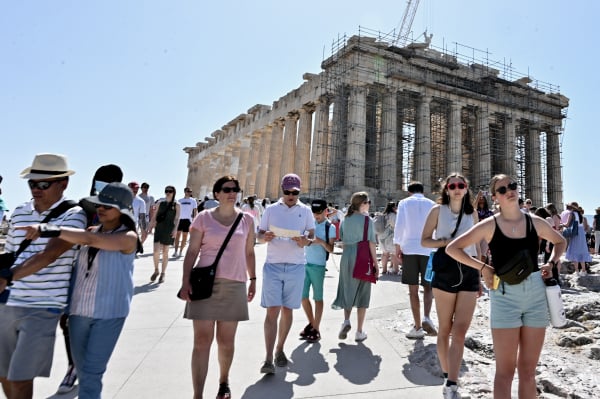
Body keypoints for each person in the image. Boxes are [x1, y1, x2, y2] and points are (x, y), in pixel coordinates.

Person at [446, 174, 566, 399]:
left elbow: (560, 241)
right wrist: (483, 268)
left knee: (529, 371)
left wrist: (551, 262)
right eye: (502, 190)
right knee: (505, 372)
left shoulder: (534, 221)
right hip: (505, 296)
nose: (509, 191)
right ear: (495, 197)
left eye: (512, 186)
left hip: (535, 293)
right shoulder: (489, 225)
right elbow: (453, 248)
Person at [17, 182, 139, 399]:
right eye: (99, 204)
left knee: (92, 373)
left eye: (107, 206)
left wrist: (47, 229)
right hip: (78, 312)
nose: (100, 209)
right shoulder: (91, 230)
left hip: (109, 314)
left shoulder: (128, 237)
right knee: (83, 372)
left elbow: (91, 240)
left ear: (122, 210)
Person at [0, 153, 87, 399]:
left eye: (43, 184)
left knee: (20, 377)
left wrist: (9, 277)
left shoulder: (74, 215)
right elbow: (9, 255)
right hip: (8, 301)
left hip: (44, 305)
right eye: (32, 183)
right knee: (4, 373)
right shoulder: (18, 213)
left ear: (63, 184)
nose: (36, 189)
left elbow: (49, 255)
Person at [178, 176, 256, 399]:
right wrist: (185, 282)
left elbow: (249, 252)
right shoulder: (203, 218)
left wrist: (253, 280)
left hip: (235, 284)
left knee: (226, 341)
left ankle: (224, 380)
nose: (232, 193)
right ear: (217, 194)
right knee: (202, 341)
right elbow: (192, 252)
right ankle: (198, 395)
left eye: (235, 189)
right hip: (204, 285)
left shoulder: (247, 220)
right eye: (227, 189)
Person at [421, 173, 480, 398]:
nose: (457, 188)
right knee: (445, 328)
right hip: (445, 268)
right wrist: (447, 243)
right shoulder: (437, 211)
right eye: (452, 185)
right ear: (446, 189)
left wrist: (481, 272)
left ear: (466, 189)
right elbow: (424, 240)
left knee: (461, 330)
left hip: (469, 271)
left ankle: (452, 381)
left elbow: (478, 245)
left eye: (461, 185)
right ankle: (448, 375)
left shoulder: (472, 213)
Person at [256, 173, 315, 374]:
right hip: (273, 265)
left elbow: (311, 237)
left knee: (288, 310)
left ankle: (280, 348)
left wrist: (305, 241)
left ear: (299, 191)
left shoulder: (305, 211)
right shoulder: (271, 210)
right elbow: (260, 234)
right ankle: (267, 358)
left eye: (295, 192)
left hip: (296, 266)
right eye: (287, 192)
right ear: (282, 190)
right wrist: (265, 237)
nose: (291, 195)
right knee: (272, 310)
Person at [331, 192, 378, 343]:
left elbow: (343, 240)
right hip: (363, 256)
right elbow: (371, 242)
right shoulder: (367, 220)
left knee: (348, 289)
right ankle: (359, 331)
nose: (369, 205)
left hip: (348, 256)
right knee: (363, 293)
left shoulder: (346, 219)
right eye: (368, 202)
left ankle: (346, 321)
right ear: (362, 204)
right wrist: (375, 263)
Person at [393, 181, 437, 339]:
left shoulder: (404, 203)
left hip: (410, 249)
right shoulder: (432, 204)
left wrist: (397, 246)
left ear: (409, 192)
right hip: (430, 249)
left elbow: (400, 225)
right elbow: (437, 228)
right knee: (428, 287)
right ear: (422, 191)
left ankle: (417, 327)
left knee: (413, 290)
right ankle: (427, 317)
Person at [299, 199, 335, 343]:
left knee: (318, 298)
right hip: (304, 263)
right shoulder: (309, 224)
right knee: (303, 296)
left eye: (319, 213)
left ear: (326, 211)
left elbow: (331, 249)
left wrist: (320, 241)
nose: (316, 216)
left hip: (318, 266)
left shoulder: (330, 227)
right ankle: (312, 323)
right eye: (314, 213)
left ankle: (316, 329)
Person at [148, 185, 180, 283]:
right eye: (166, 191)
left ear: (174, 192)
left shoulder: (177, 205)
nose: (168, 193)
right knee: (156, 251)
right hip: (159, 228)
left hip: (169, 229)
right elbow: (154, 216)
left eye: (170, 191)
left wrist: (175, 229)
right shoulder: (160, 203)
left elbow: (177, 218)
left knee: (166, 252)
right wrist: (150, 225)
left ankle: (163, 273)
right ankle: (156, 270)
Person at [563, 202, 592, 275]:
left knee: (574, 250)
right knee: (582, 251)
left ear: (571, 207)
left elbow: (567, 224)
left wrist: (560, 226)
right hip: (581, 233)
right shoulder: (580, 215)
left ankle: (576, 271)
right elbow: (585, 226)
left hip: (575, 233)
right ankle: (584, 270)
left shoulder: (571, 214)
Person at [174, 187, 198, 258]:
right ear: (184, 192)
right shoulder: (180, 200)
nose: (189, 192)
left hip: (188, 220)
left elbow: (195, 211)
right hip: (180, 219)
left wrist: (195, 220)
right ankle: (175, 251)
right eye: (187, 191)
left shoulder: (193, 201)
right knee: (177, 236)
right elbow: (176, 211)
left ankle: (181, 251)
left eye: (190, 191)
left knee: (185, 236)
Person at [379, 201, 399, 275]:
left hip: (381, 236)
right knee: (394, 253)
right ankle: (396, 270)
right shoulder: (393, 215)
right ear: (393, 208)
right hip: (390, 236)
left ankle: (384, 270)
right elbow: (395, 225)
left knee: (384, 253)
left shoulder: (383, 215)